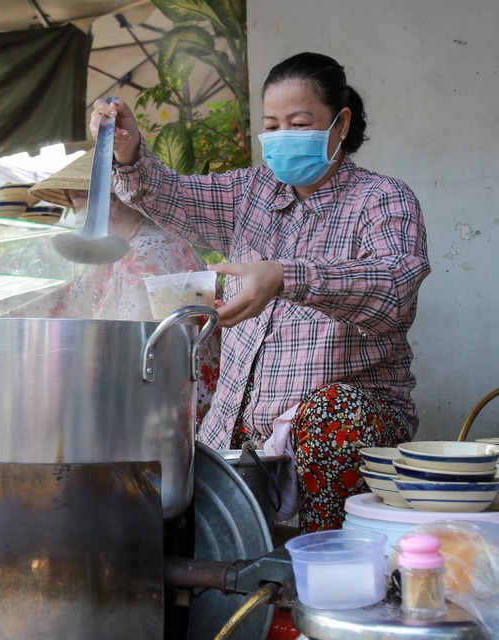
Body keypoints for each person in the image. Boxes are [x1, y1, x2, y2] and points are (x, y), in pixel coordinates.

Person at [91, 51, 430, 533]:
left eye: (299, 122)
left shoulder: (382, 199)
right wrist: (127, 149)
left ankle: (326, 563)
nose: (282, 135)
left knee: (332, 416)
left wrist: (285, 278)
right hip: (242, 433)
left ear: (340, 123)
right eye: (272, 125)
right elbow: (169, 193)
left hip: (345, 430)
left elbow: (395, 289)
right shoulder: (251, 193)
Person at [6, 150, 221, 426]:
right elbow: (68, 298)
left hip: (162, 421)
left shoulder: (145, 254)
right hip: (178, 413)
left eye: (80, 202)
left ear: (113, 200)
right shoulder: (126, 248)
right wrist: (6, 324)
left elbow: (136, 352)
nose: (77, 214)